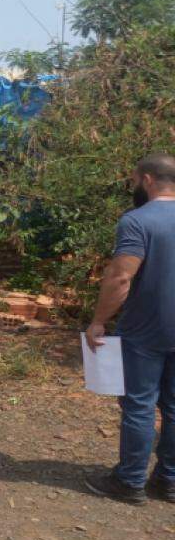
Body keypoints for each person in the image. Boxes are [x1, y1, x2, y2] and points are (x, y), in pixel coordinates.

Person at [84, 154, 175, 504]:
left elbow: (121, 277)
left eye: (135, 180)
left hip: (146, 330)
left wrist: (99, 321)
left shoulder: (137, 221)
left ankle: (130, 480)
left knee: (139, 404)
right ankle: (168, 481)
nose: (134, 186)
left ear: (148, 180)